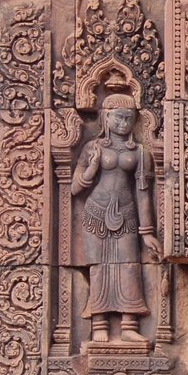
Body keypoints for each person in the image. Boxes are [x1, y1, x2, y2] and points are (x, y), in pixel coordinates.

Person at [71, 91, 160, 343]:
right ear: (106, 118)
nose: (124, 124)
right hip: (95, 213)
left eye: (129, 119)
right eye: (119, 118)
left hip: (127, 214)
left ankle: (129, 325)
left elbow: (143, 194)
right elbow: (75, 189)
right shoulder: (93, 148)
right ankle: (99, 324)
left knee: (129, 266)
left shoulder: (140, 152)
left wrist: (148, 232)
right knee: (99, 267)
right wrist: (92, 168)